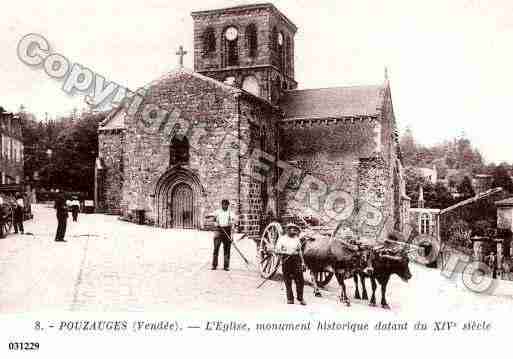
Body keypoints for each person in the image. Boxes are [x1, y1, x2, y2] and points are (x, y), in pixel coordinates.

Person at [276, 223, 306, 305]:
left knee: (300, 280)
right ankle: (290, 299)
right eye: (291, 229)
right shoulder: (282, 239)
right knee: (287, 280)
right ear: (287, 230)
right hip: (286, 259)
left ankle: (300, 298)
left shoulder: (296, 239)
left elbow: (300, 251)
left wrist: (303, 262)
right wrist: (286, 252)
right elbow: (277, 250)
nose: (293, 230)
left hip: (296, 259)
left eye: (294, 229)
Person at [211, 199, 238, 271]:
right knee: (216, 248)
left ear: (228, 205)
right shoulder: (217, 212)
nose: (225, 206)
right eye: (223, 205)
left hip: (227, 231)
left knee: (227, 249)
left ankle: (226, 266)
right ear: (221, 205)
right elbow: (213, 220)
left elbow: (233, 225)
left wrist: (232, 236)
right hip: (218, 231)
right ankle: (214, 265)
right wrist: (215, 223)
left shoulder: (231, 213)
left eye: (226, 205)